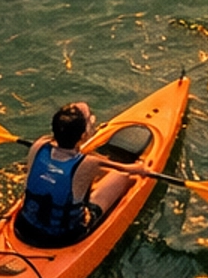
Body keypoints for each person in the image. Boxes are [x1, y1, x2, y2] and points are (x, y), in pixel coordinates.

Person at [15, 101, 138, 246]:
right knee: (124, 177)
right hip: (63, 237)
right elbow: (125, 169)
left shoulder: (38, 145)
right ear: (82, 136)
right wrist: (142, 168)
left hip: (24, 226)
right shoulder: (88, 163)